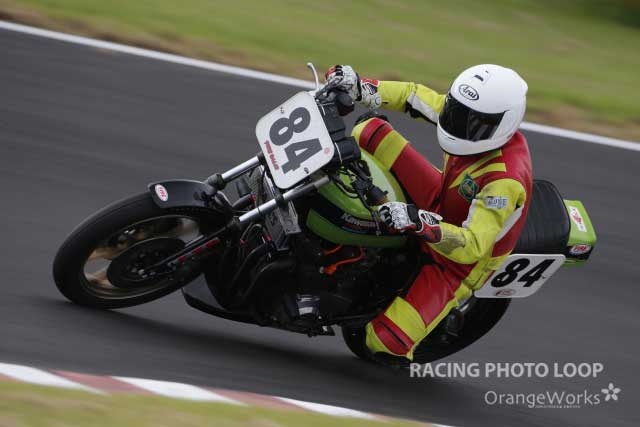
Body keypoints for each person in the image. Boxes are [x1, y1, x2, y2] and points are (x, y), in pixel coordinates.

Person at [325, 64, 532, 360]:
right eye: (456, 112)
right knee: (367, 131)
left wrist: (420, 223)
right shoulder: (464, 115)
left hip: (456, 263)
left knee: (382, 343)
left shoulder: (504, 181)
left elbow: (472, 246)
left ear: (503, 125)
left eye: (473, 124)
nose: (459, 126)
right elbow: (413, 96)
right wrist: (361, 86)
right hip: (441, 200)